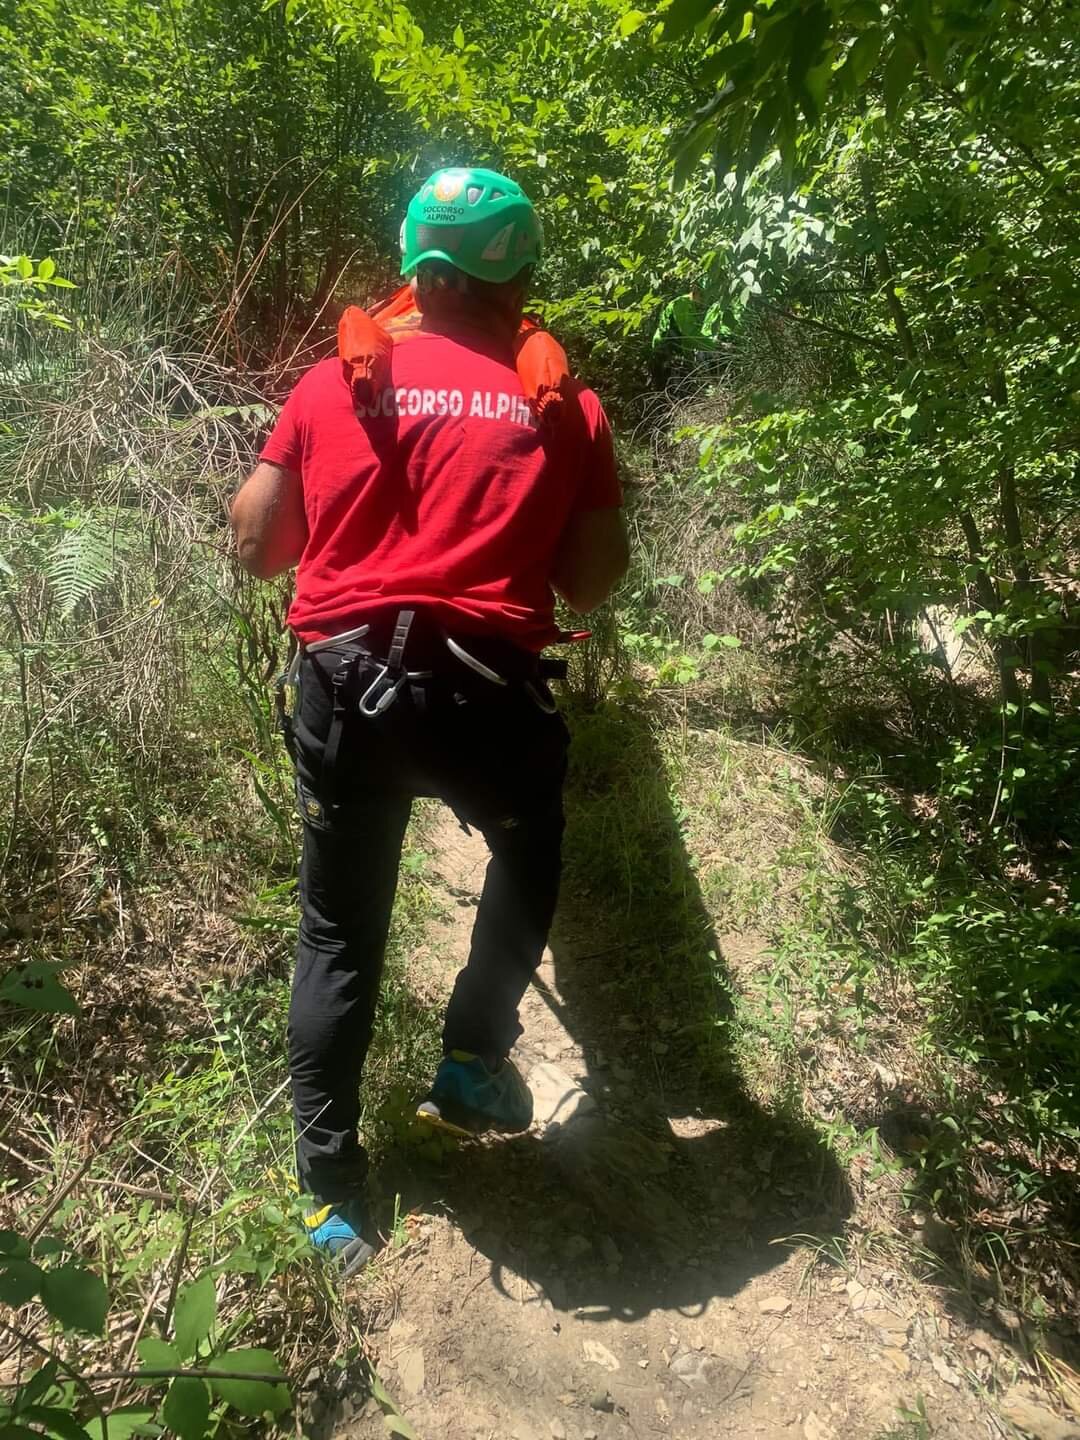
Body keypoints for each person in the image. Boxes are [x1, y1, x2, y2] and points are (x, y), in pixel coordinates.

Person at [230, 166, 628, 1274]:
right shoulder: (568, 405)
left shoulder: (332, 384)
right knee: (527, 844)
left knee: (337, 935)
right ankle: (471, 1058)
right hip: (486, 696)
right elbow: (593, 582)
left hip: (346, 691)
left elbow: (259, 549)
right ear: (522, 275)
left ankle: (332, 1200)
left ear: (414, 267)